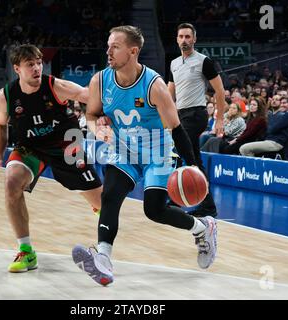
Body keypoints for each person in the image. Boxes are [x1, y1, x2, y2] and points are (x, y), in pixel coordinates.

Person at [71, 26, 217, 286]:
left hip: (157, 152)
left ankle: (203, 228)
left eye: (115, 46)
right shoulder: (99, 81)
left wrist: (194, 166)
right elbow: (91, 115)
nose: (108, 51)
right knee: (110, 194)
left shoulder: (154, 85)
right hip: (123, 150)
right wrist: (98, 128)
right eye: (108, 45)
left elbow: (177, 128)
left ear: (133, 51)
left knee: (154, 210)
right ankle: (103, 257)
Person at [0, 44, 103, 273]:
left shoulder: (56, 86)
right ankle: (26, 251)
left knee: (103, 204)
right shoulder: (6, 96)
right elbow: (0, 124)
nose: (37, 68)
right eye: (30, 64)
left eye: (39, 63)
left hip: (65, 146)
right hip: (30, 148)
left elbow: (86, 95)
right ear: (17, 68)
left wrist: (102, 115)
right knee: (11, 183)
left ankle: (97, 212)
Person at [167, 23, 225, 218]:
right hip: (180, 116)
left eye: (187, 37)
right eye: (181, 36)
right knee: (193, 160)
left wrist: (219, 120)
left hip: (197, 114)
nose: (184, 40)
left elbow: (219, 91)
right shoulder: (174, 63)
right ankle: (208, 205)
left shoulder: (204, 61)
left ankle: (172, 200)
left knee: (177, 153)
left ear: (194, 39)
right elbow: (169, 93)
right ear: (177, 39)